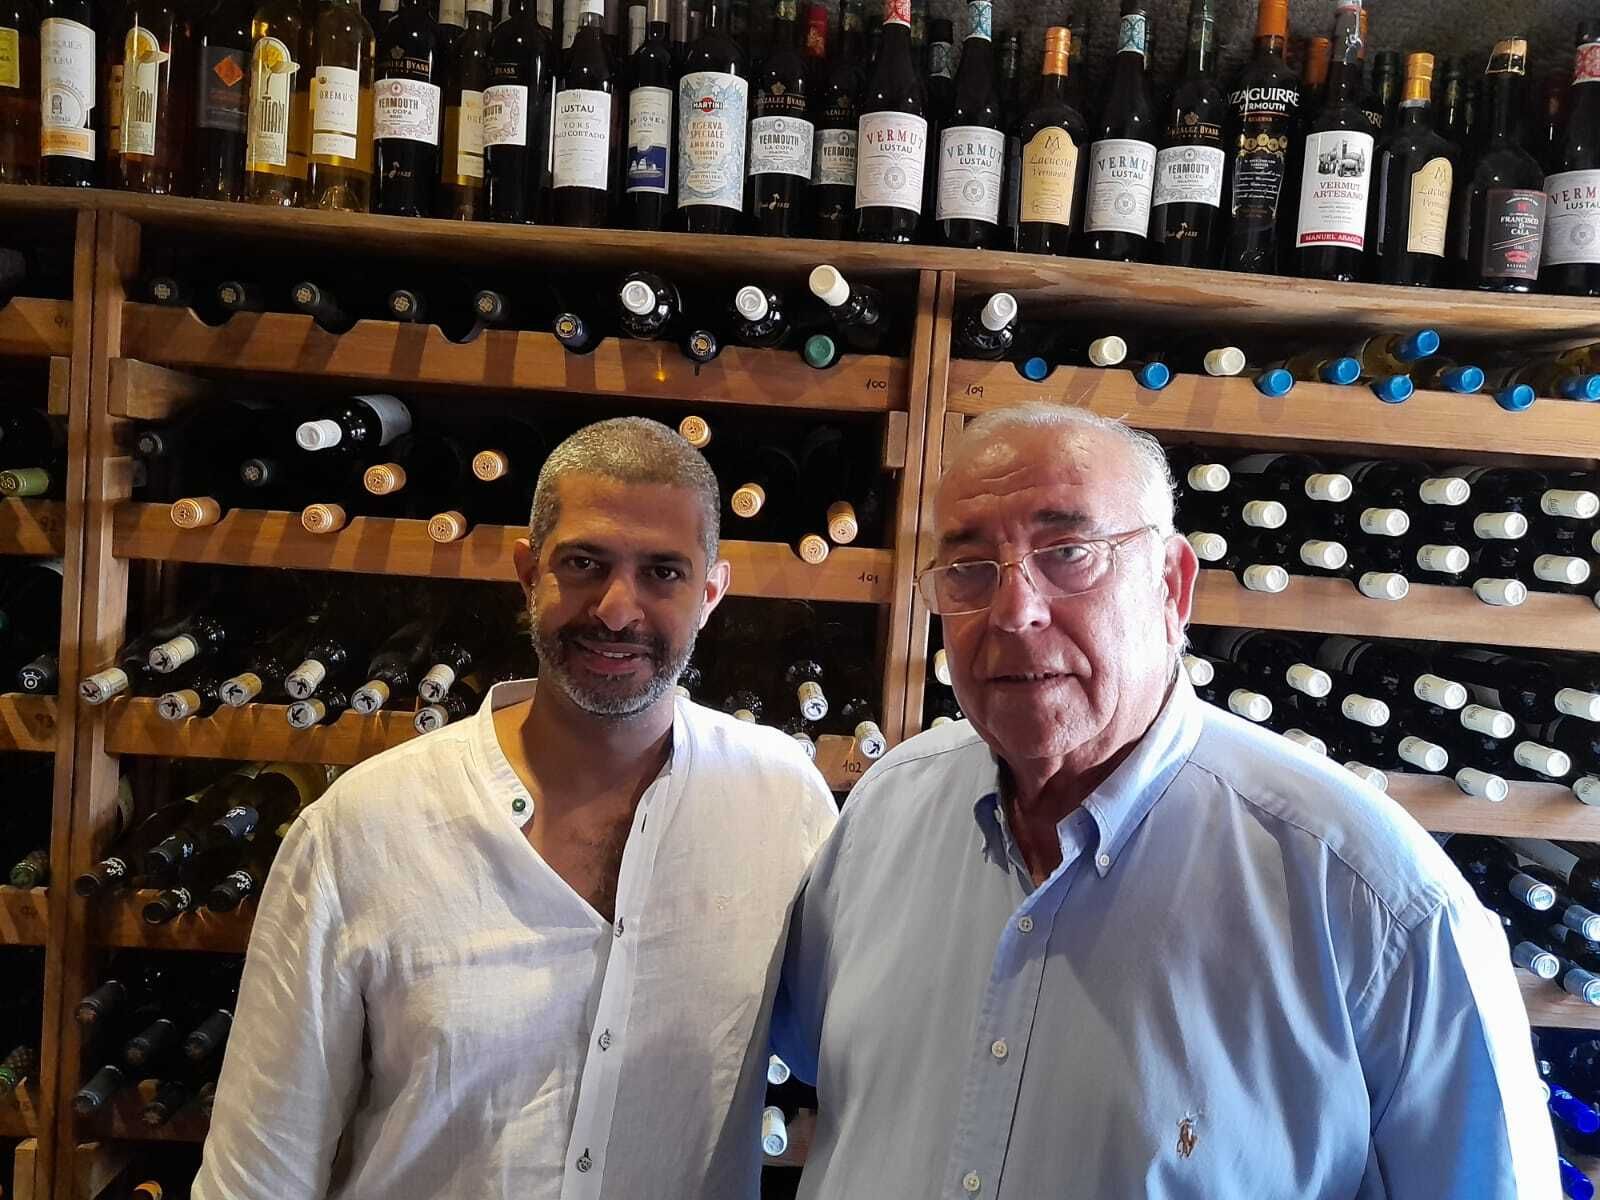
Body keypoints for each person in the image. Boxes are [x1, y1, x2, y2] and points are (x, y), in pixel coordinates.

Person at [772, 404, 1557, 1198]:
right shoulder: (886, 810)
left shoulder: (1372, 898)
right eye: (971, 569)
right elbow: (823, 1067)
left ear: (1173, 585)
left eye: (1069, 553)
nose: (1015, 611)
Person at [192, 417, 837, 1200]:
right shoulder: (360, 829)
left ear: (710, 594)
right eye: (584, 563)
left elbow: (855, 1057)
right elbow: (258, 1173)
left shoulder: (783, 804)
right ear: (529, 574)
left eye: (663, 573)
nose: (617, 610)